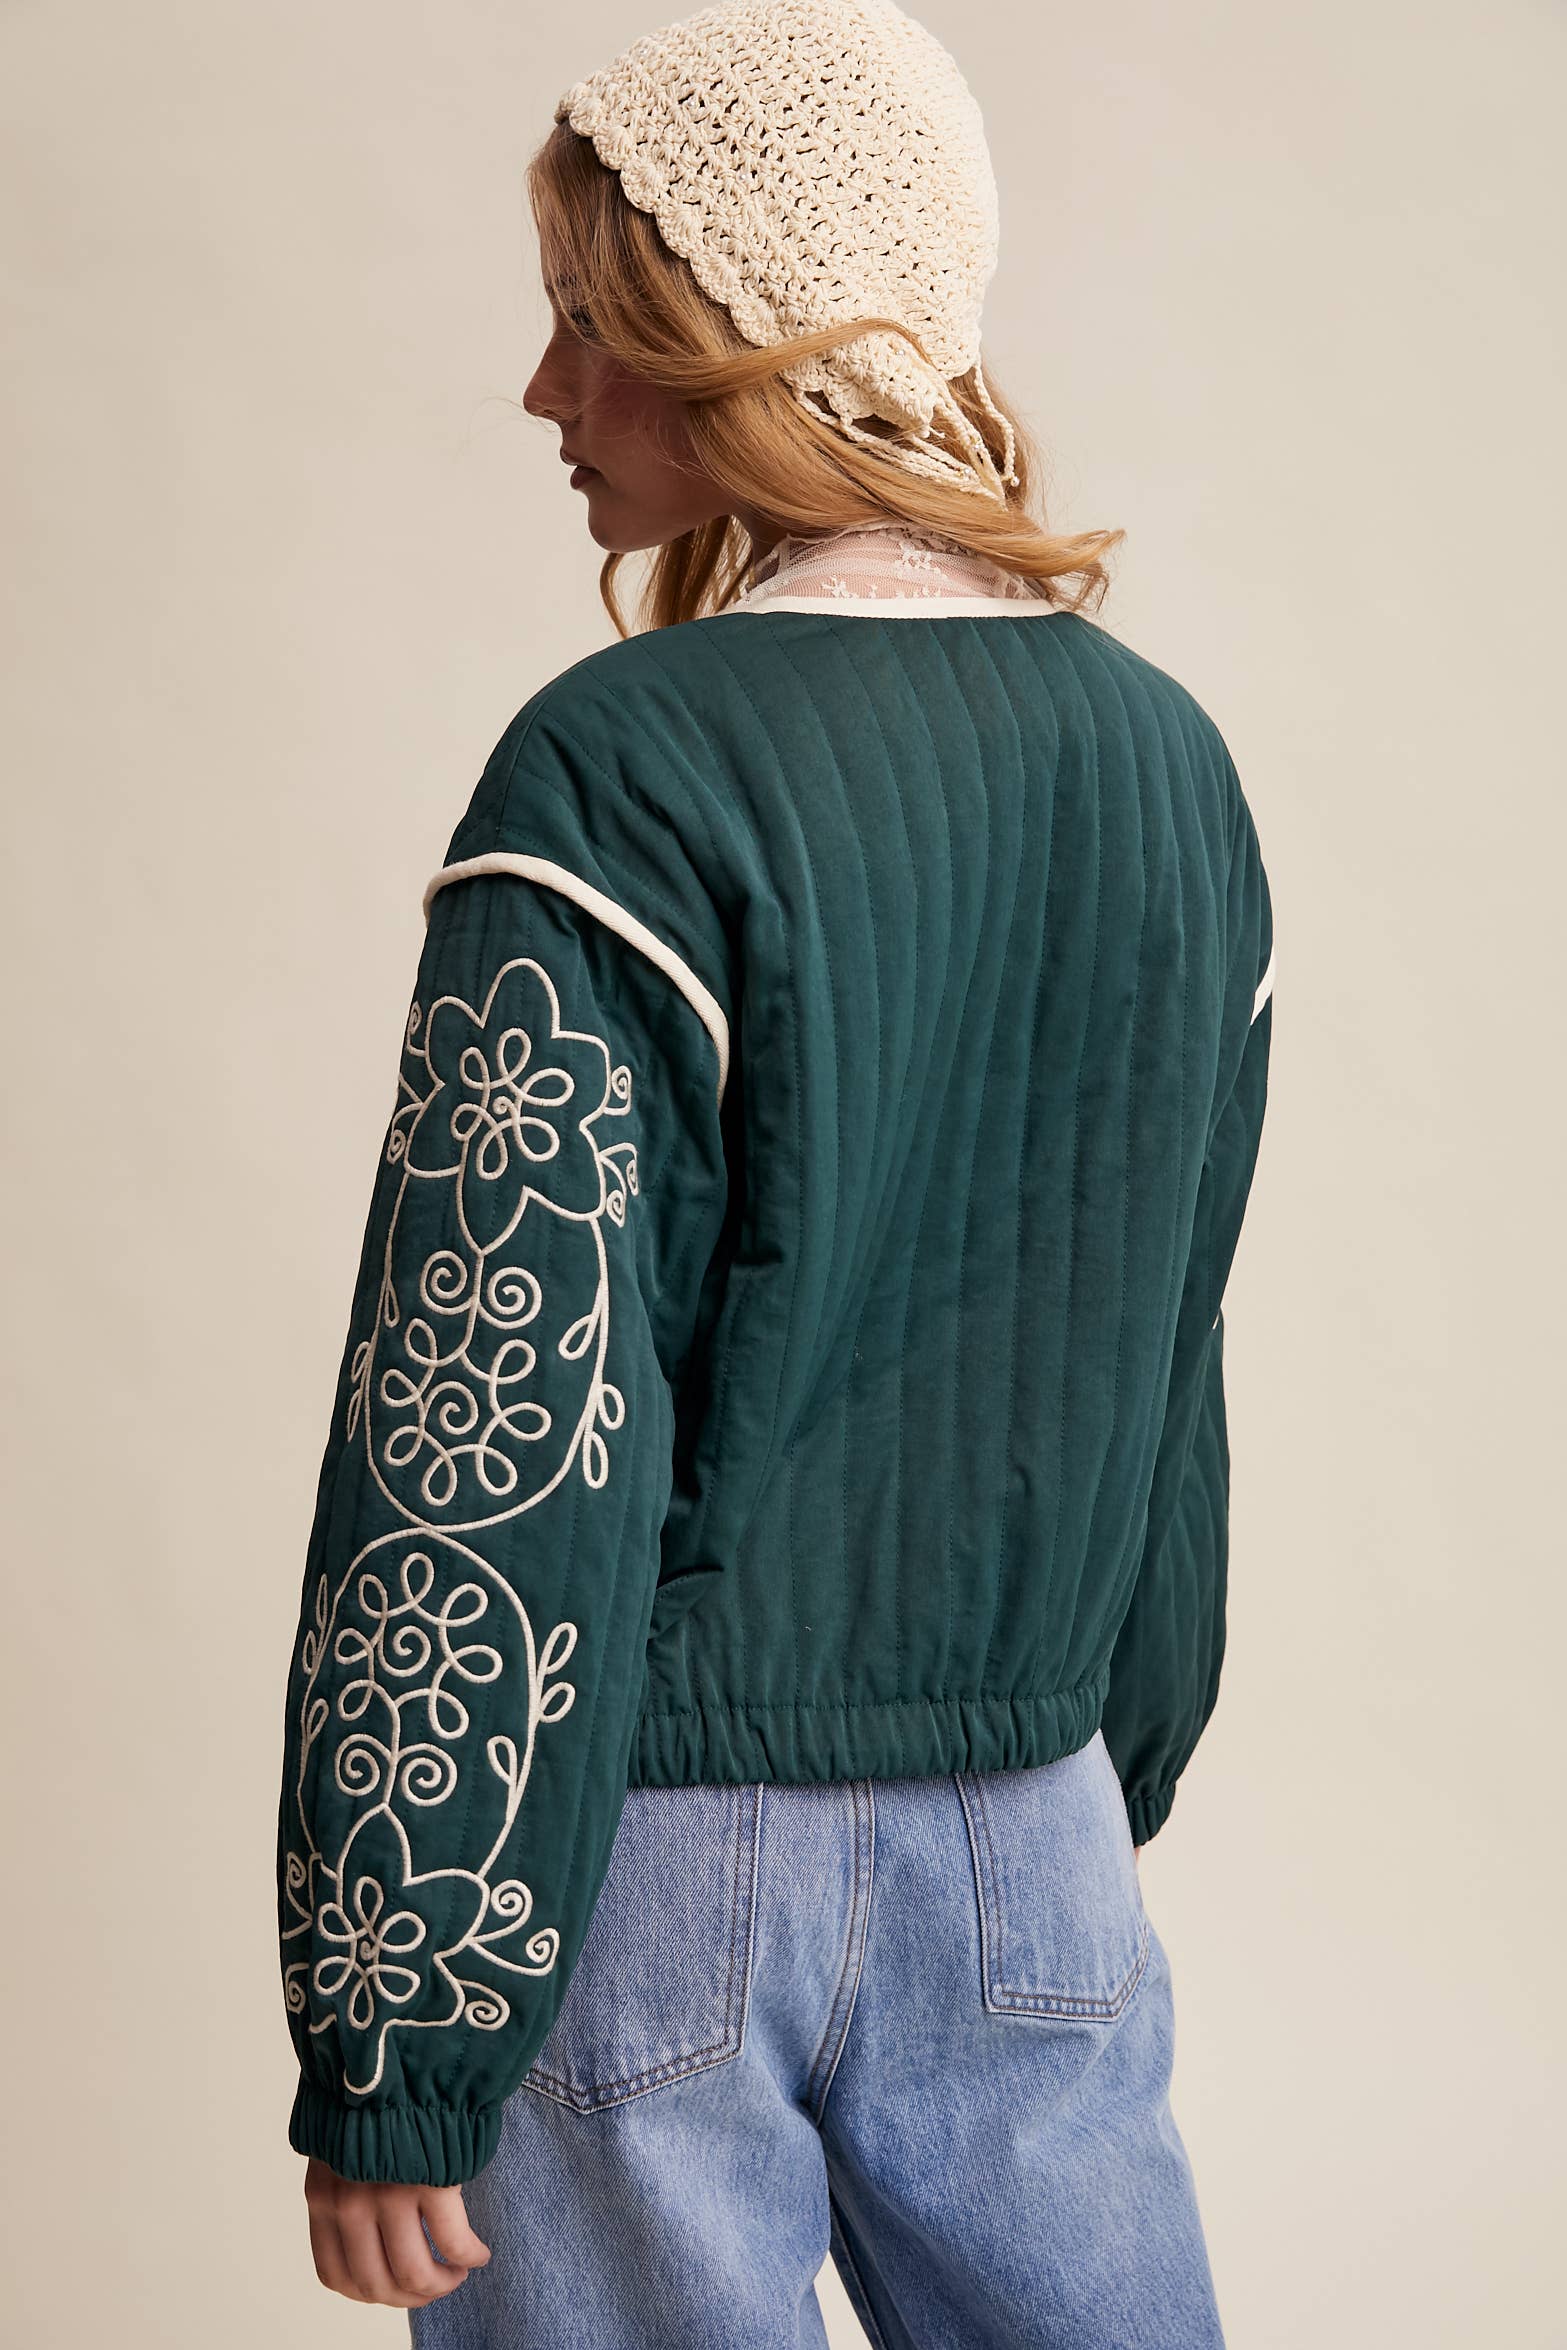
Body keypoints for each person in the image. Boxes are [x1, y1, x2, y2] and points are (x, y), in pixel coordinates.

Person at [275, 1, 1276, 2340]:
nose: (545, 390)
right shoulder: (1168, 768)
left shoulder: (619, 773)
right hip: (1030, 1831)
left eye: (588, 319)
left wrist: (399, 2001)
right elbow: (1169, 1357)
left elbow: (482, 1408)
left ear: (737, 332)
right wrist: (1076, 1786)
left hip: (635, 1867)